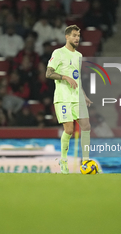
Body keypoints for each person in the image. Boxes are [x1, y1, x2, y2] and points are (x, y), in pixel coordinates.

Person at [45, 25, 92, 174]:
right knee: (69, 130)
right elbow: (48, 73)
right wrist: (64, 77)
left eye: (78, 35)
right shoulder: (58, 53)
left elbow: (77, 78)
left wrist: (83, 95)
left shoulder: (78, 56)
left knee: (86, 126)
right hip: (63, 98)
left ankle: (85, 162)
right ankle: (63, 160)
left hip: (77, 97)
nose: (77, 38)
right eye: (74, 35)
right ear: (67, 37)